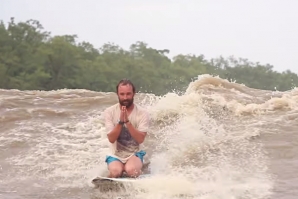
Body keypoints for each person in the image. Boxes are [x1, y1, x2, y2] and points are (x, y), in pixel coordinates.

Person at [103, 79, 150, 178]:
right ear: (117, 94)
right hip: (115, 154)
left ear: (134, 94)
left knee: (131, 171)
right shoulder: (109, 112)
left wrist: (128, 122)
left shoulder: (142, 113)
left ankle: (139, 172)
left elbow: (140, 139)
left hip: (134, 153)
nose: (125, 97)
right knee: (115, 172)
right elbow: (111, 139)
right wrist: (120, 122)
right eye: (122, 94)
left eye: (128, 94)